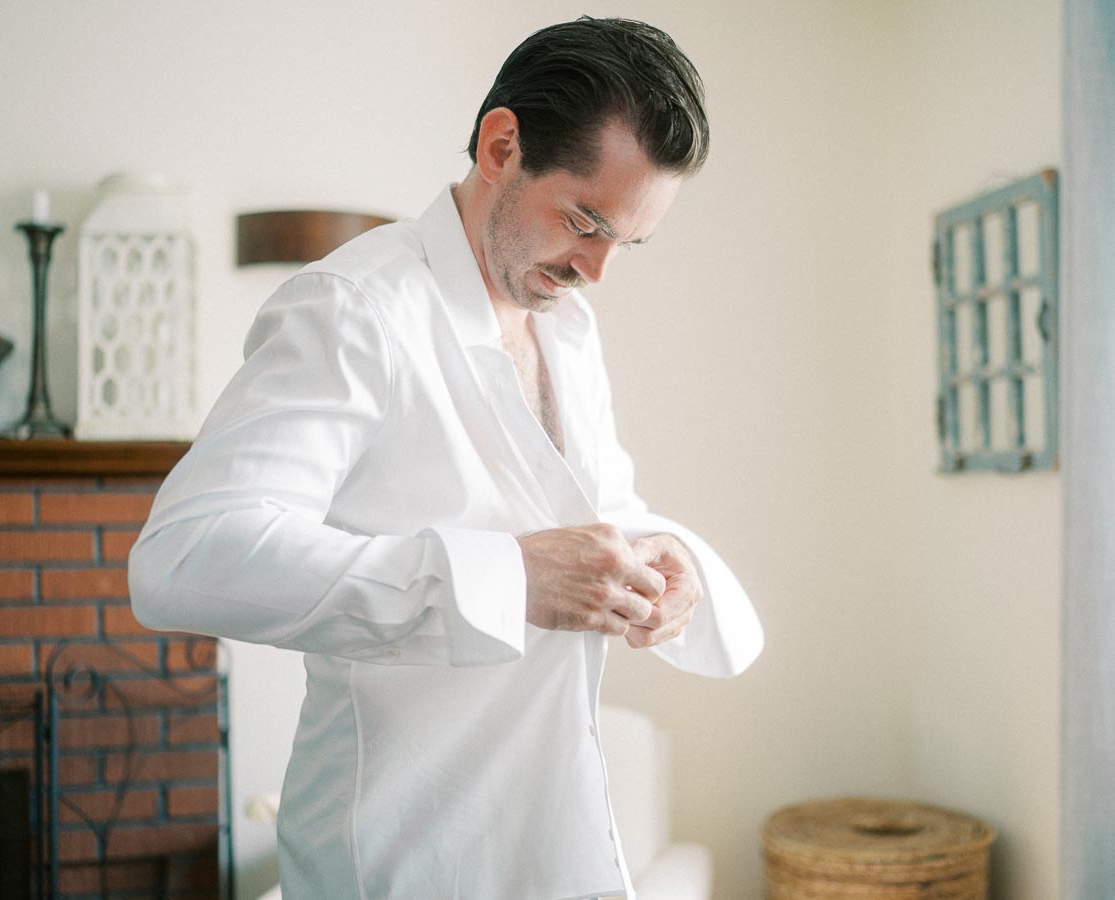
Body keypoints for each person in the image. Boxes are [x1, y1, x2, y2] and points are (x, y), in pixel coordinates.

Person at [129, 16, 763, 900]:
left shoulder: (568, 331)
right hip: (400, 862)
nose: (598, 271)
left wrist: (668, 562)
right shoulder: (354, 310)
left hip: (557, 851)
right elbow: (183, 559)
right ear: (502, 145)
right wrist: (505, 580)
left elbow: (602, 506)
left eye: (624, 242)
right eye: (584, 221)